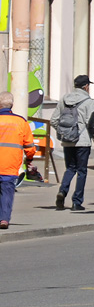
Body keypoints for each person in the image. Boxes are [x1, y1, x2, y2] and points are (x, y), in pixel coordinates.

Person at [51, 75, 94, 212]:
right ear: (86, 87)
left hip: (67, 141)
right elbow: (92, 125)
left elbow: (54, 120)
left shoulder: (64, 99)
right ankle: (77, 202)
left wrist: (64, 133)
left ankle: (62, 192)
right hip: (82, 142)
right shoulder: (89, 102)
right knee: (82, 171)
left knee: (70, 168)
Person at [0, 91, 37, 230]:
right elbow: (30, 146)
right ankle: (4, 219)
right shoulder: (21, 122)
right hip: (10, 164)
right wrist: (29, 159)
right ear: (12, 105)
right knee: (7, 193)